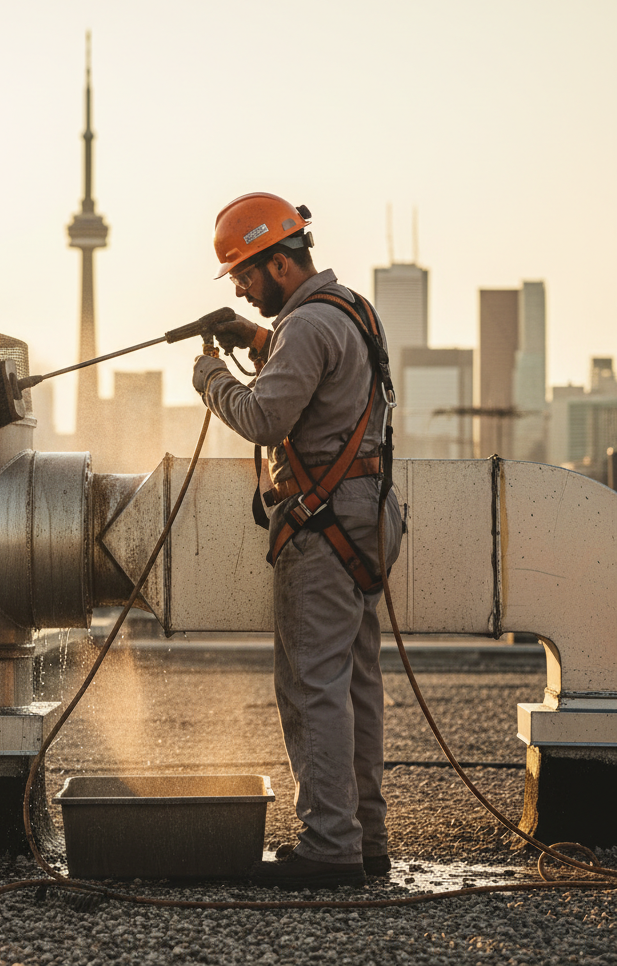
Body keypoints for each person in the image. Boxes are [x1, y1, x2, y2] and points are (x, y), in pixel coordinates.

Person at [191, 192, 403, 890]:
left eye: (248, 277)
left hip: (322, 527)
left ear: (281, 261)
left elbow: (263, 414)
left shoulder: (307, 326)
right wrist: (253, 341)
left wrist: (213, 378)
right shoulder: (348, 310)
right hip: (365, 520)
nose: (246, 293)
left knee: (313, 686)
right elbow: (314, 377)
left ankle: (330, 845)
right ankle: (364, 838)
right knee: (355, 685)